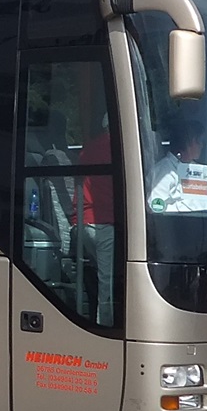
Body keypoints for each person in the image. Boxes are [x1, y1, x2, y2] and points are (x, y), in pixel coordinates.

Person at [147, 120, 207, 212]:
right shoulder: (164, 170)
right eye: (198, 141)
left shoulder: (195, 169)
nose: (201, 145)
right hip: (180, 225)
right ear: (187, 143)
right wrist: (188, 208)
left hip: (206, 221)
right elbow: (155, 207)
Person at [76, 124, 116, 327]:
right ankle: (106, 325)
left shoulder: (89, 148)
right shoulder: (119, 147)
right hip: (103, 224)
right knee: (108, 281)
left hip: (81, 223)